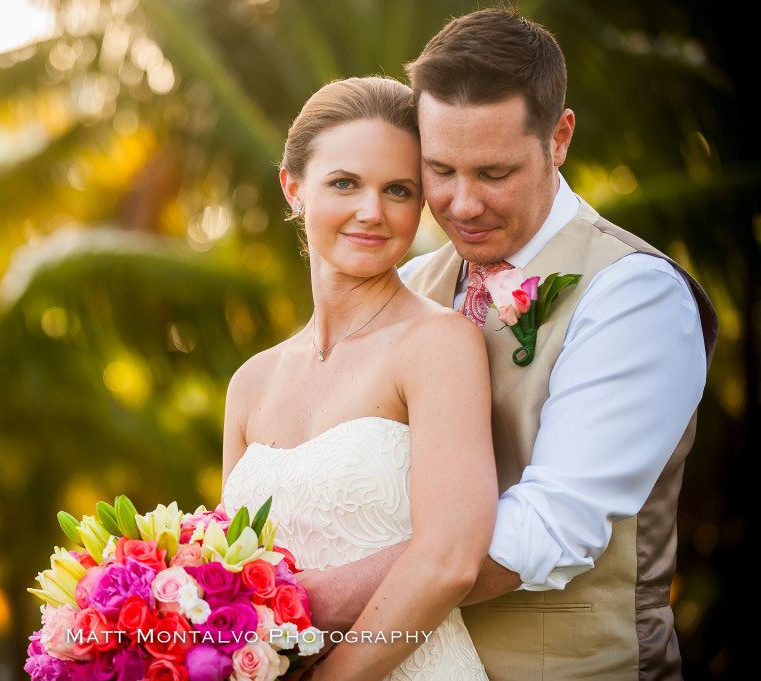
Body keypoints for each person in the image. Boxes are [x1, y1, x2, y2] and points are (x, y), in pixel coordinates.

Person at [299, 9, 718, 681]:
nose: (462, 204)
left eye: (493, 173)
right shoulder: (409, 283)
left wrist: (308, 600)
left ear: (559, 138)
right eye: (440, 170)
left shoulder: (635, 294)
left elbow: (552, 523)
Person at [220, 76, 498, 680]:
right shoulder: (250, 382)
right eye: (344, 183)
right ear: (293, 188)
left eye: (398, 190)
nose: (371, 212)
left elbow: (451, 560)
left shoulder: (439, 344)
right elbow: (232, 580)